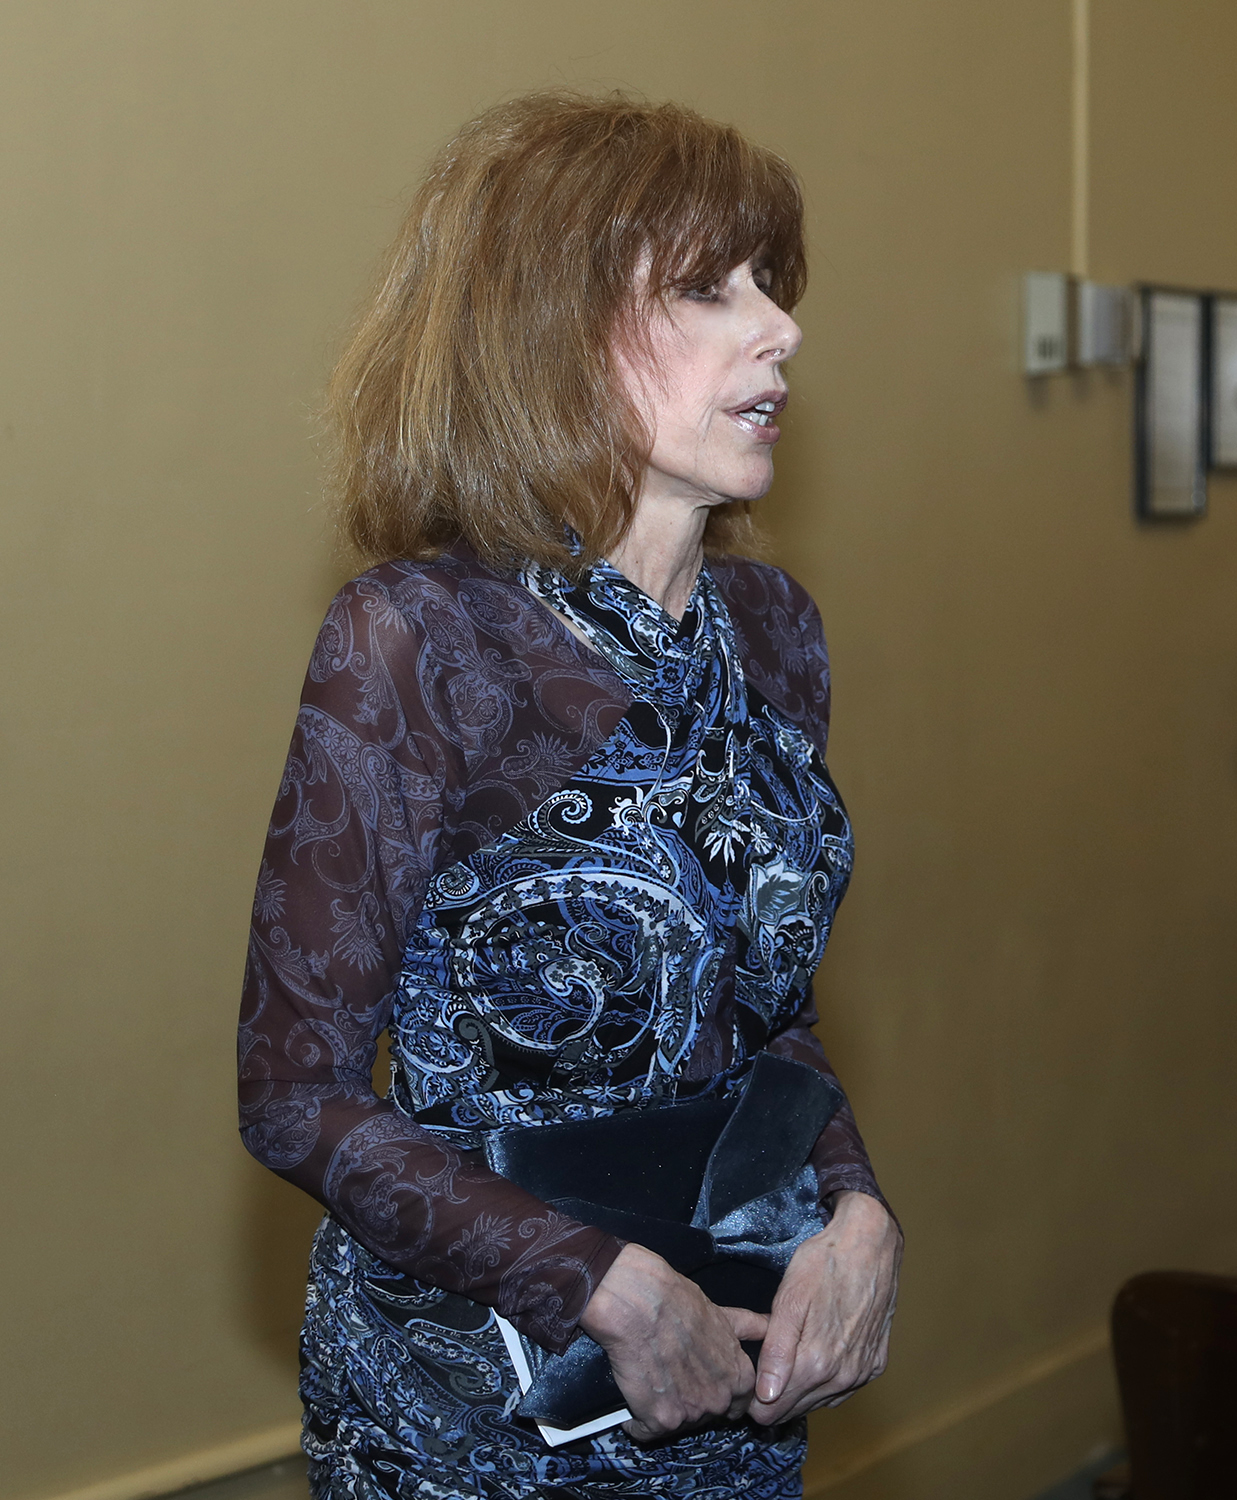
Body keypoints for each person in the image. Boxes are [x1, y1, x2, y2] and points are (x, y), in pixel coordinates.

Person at [237, 91, 902, 1499]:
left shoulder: (774, 630)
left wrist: (856, 1211)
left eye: (772, 283)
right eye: (710, 288)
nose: (781, 328)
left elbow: (767, 1017)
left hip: (730, 1385)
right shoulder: (423, 638)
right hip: (474, 1410)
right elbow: (292, 1094)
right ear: (549, 331)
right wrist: (592, 1281)